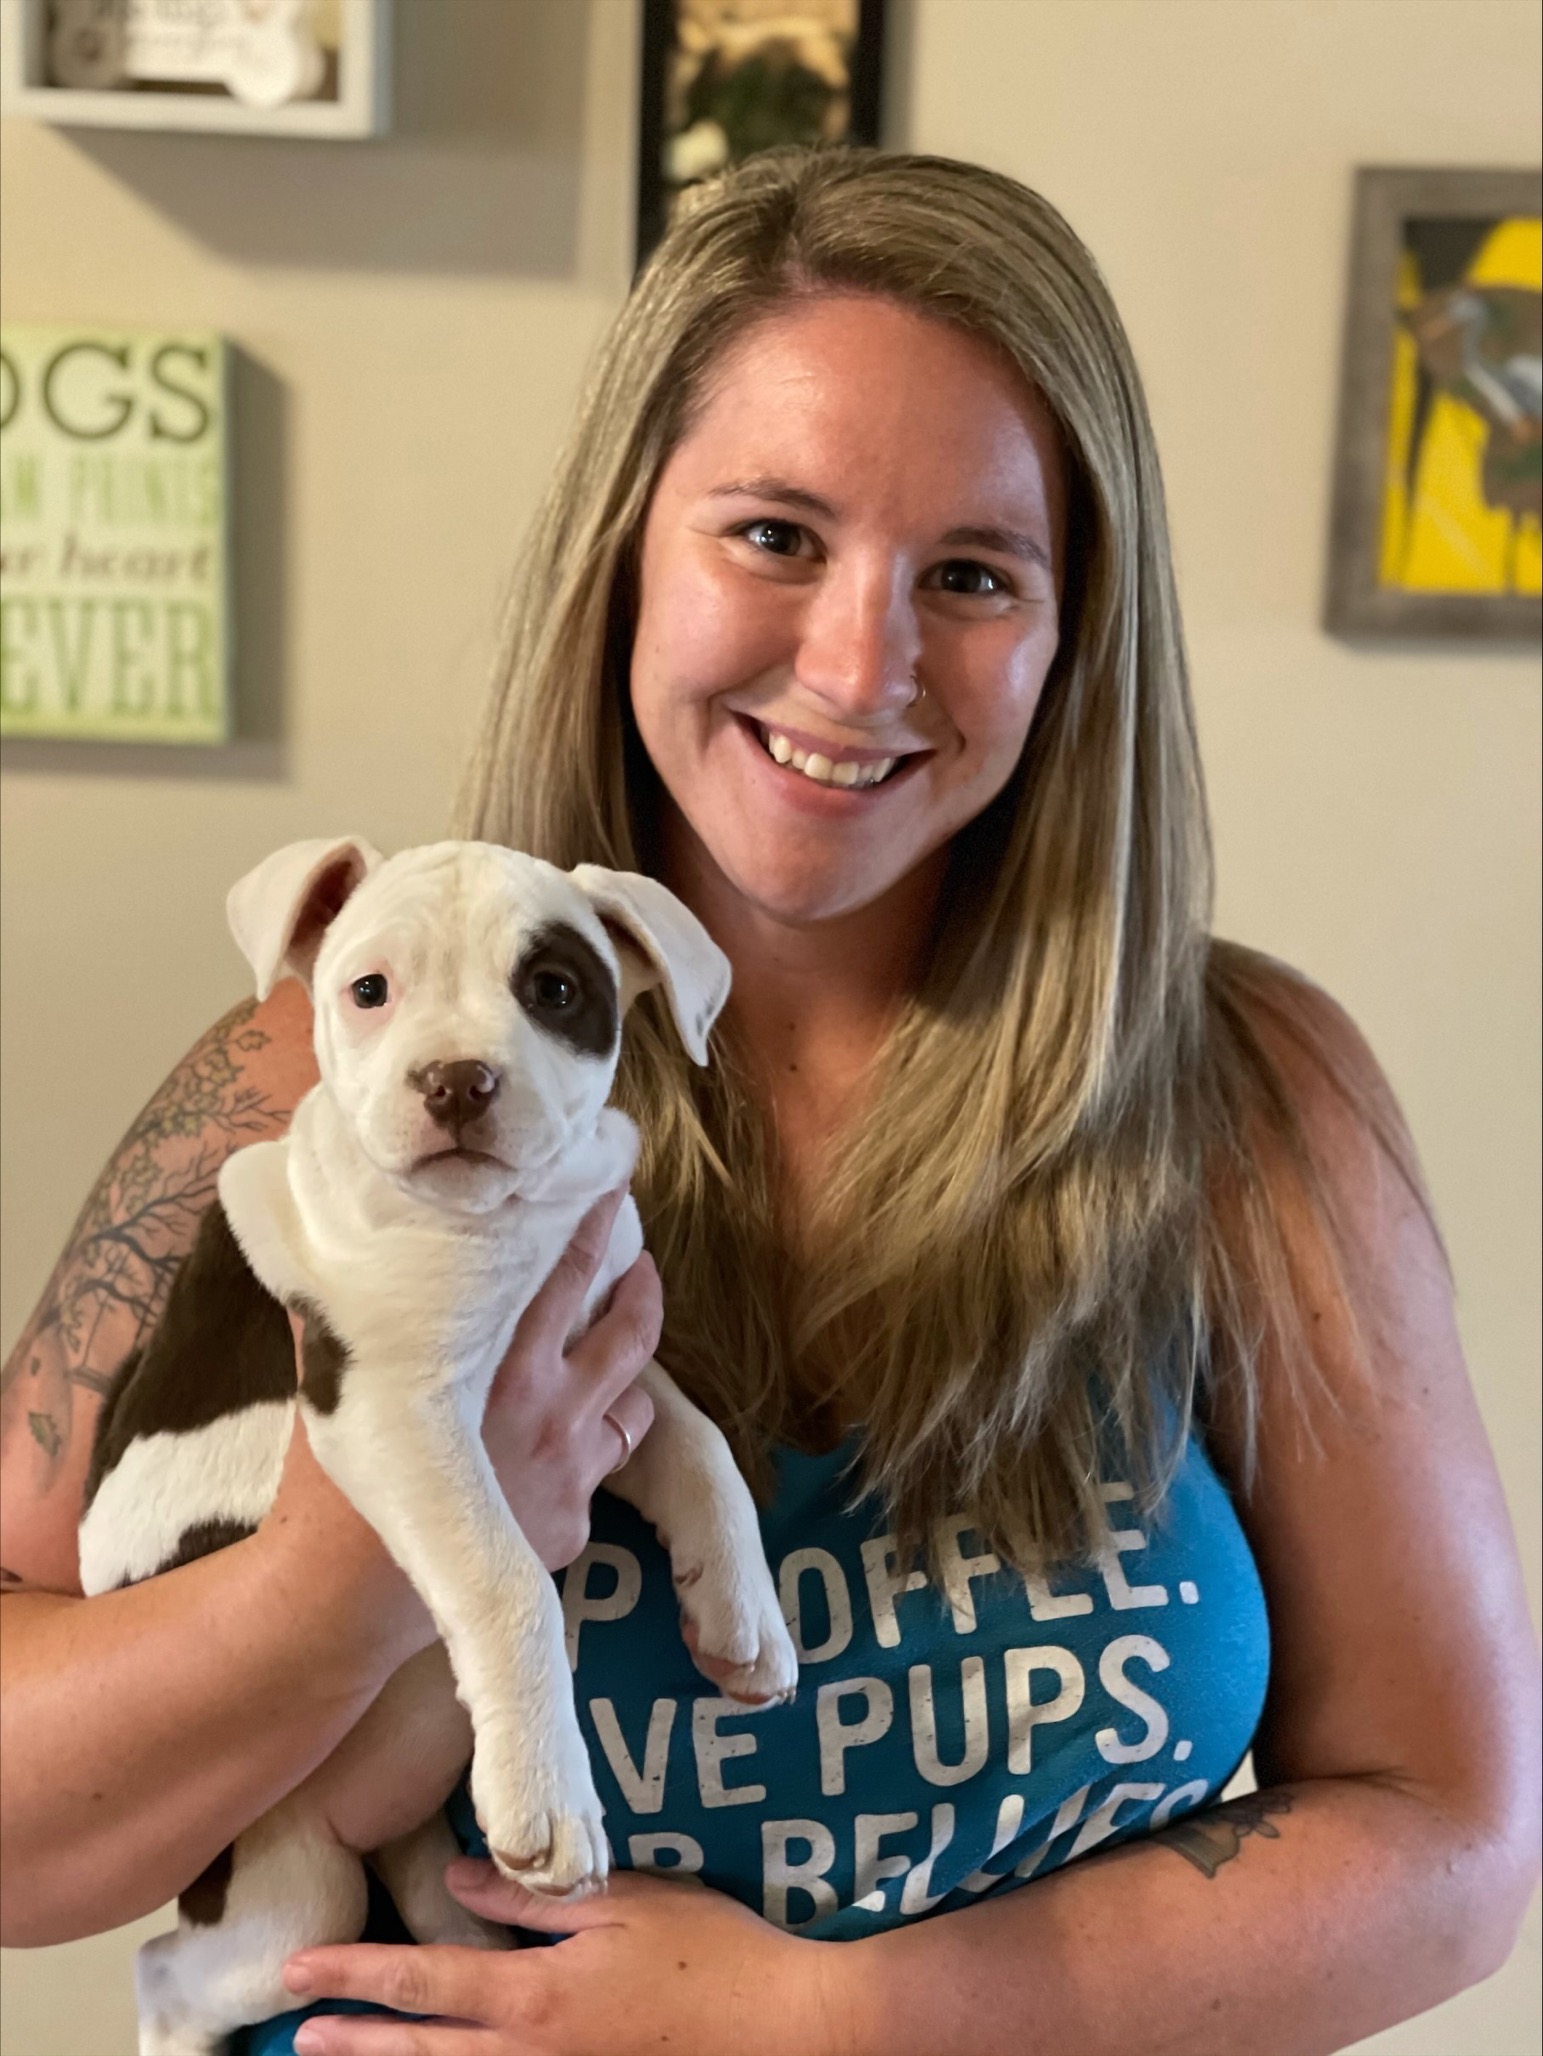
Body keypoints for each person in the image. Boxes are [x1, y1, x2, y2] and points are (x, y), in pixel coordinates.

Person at [1, 149, 1537, 2056]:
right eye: (774, 535)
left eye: (971, 575)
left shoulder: (1249, 1098)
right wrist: (347, 1572)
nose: (859, 664)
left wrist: (829, 2021)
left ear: (1073, 637)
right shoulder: (316, 1081)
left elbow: (1453, 1837)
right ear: (627, 552)